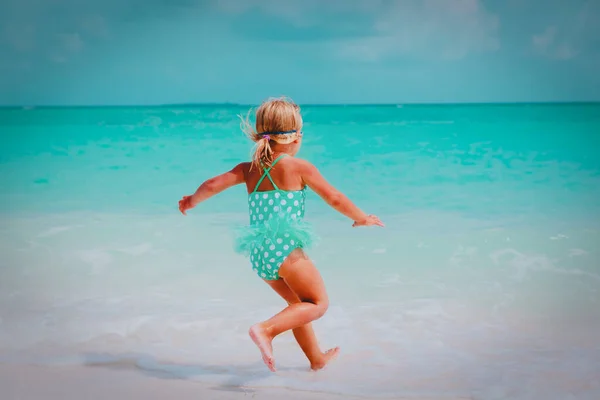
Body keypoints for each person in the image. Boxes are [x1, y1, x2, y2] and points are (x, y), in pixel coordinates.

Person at [178, 97, 384, 372]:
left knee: (298, 305)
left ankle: (316, 359)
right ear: (295, 137)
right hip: (285, 248)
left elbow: (213, 184)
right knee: (318, 304)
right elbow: (333, 197)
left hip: (260, 254)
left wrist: (191, 200)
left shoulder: (248, 169)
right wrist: (362, 218)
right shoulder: (298, 167)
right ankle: (266, 330)